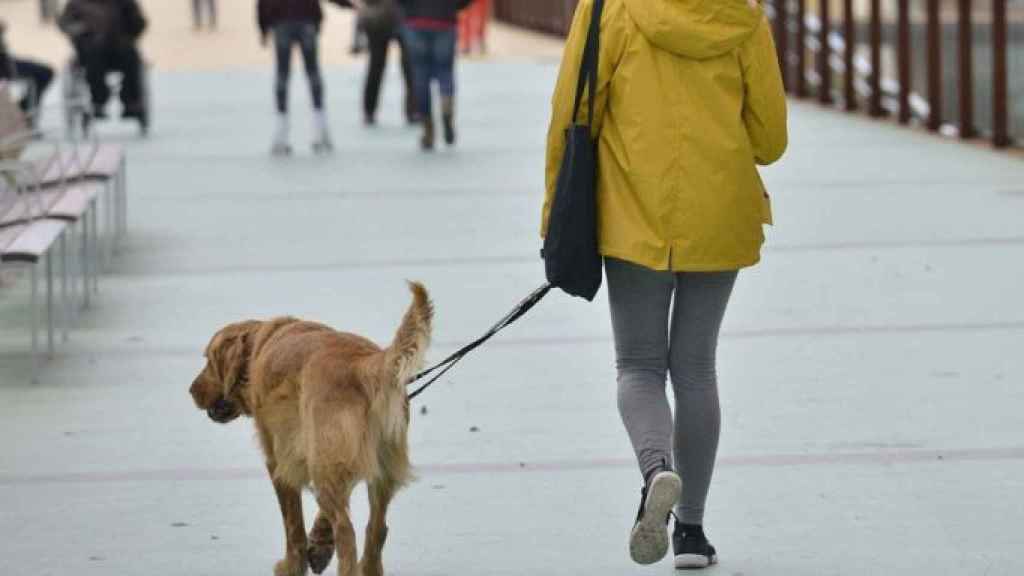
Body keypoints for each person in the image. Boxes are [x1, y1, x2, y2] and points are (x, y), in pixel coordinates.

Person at [541, 0, 787, 570]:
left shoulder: (610, 9)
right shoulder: (744, 17)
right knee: (697, 368)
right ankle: (693, 535)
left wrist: (554, 215)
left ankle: (657, 472)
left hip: (635, 213)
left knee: (639, 368)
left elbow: (573, 112)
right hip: (719, 211)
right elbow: (770, 140)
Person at [258, 0, 340, 155]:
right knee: (313, 73)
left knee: (283, 75)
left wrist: (263, 28)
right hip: (306, 18)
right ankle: (319, 126)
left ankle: (281, 130)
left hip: (282, 20)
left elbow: (262, 4)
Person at [397, 0, 471, 151]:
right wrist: (454, 6)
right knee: (445, 71)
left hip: (415, 21)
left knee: (420, 75)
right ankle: (447, 111)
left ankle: (427, 127)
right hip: (445, 20)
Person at [58, 0, 147, 120]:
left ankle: (130, 101)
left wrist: (131, 30)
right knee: (93, 58)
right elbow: (65, 23)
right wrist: (78, 29)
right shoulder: (77, 4)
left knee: (131, 57)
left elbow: (139, 23)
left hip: (119, 47)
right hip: (90, 48)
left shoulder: (124, 3)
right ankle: (98, 100)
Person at [351, 0, 415, 126]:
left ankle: (413, 110)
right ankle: (370, 110)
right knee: (378, 67)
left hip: (399, 16)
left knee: (408, 67)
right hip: (385, 16)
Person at [0, 19, 55, 128]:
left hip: (6, 60)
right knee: (41, 73)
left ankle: (23, 110)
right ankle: (23, 113)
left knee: (45, 72)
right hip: (4, 64)